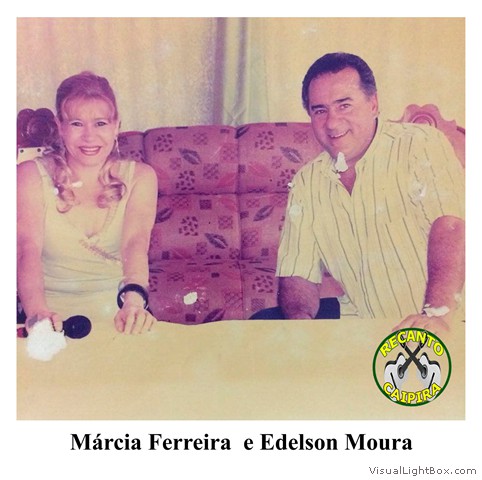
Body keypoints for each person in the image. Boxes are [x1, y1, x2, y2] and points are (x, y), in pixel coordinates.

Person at [275, 52, 465, 335]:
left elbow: (451, 226)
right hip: (368, 328)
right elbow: (296, 273)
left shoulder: (419, 145)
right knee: (262, 324)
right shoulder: (306, 182)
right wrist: (300, 328)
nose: (332, 123)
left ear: (373, 104)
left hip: (452, 322)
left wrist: (436, 315)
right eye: (320, 110)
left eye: (344, 105)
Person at [17, 71, 158, 335]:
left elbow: (135, 243)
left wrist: (134, 303)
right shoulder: (29, 175)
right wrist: (38, 313)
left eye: (100, 123)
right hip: (49, 316)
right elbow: (27, 249)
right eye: (77, 124)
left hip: (121, 314)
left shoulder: (141, 177)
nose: (89, 137)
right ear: (60, 127)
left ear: (116, 126)